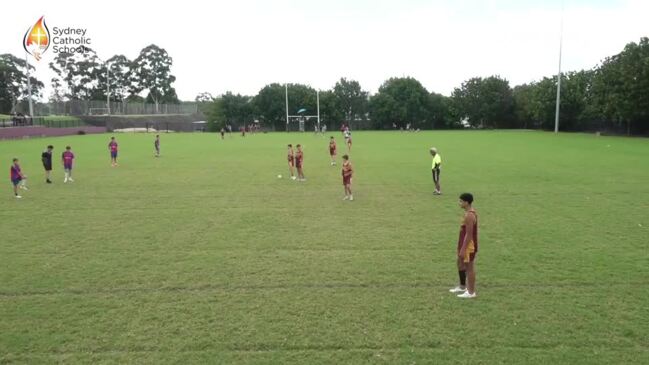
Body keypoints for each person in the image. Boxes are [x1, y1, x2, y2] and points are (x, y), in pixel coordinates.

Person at [449, 193, 479, 299]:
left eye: (461, 201)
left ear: (466, 202)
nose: (459, 203)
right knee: (460, 263)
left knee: (469, 267)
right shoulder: (467, 213)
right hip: (463, 243)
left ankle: (471, 292)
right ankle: (462, 286)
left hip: (469, 245)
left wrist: (463, 249)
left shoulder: (470, 215)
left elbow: (469, 234)